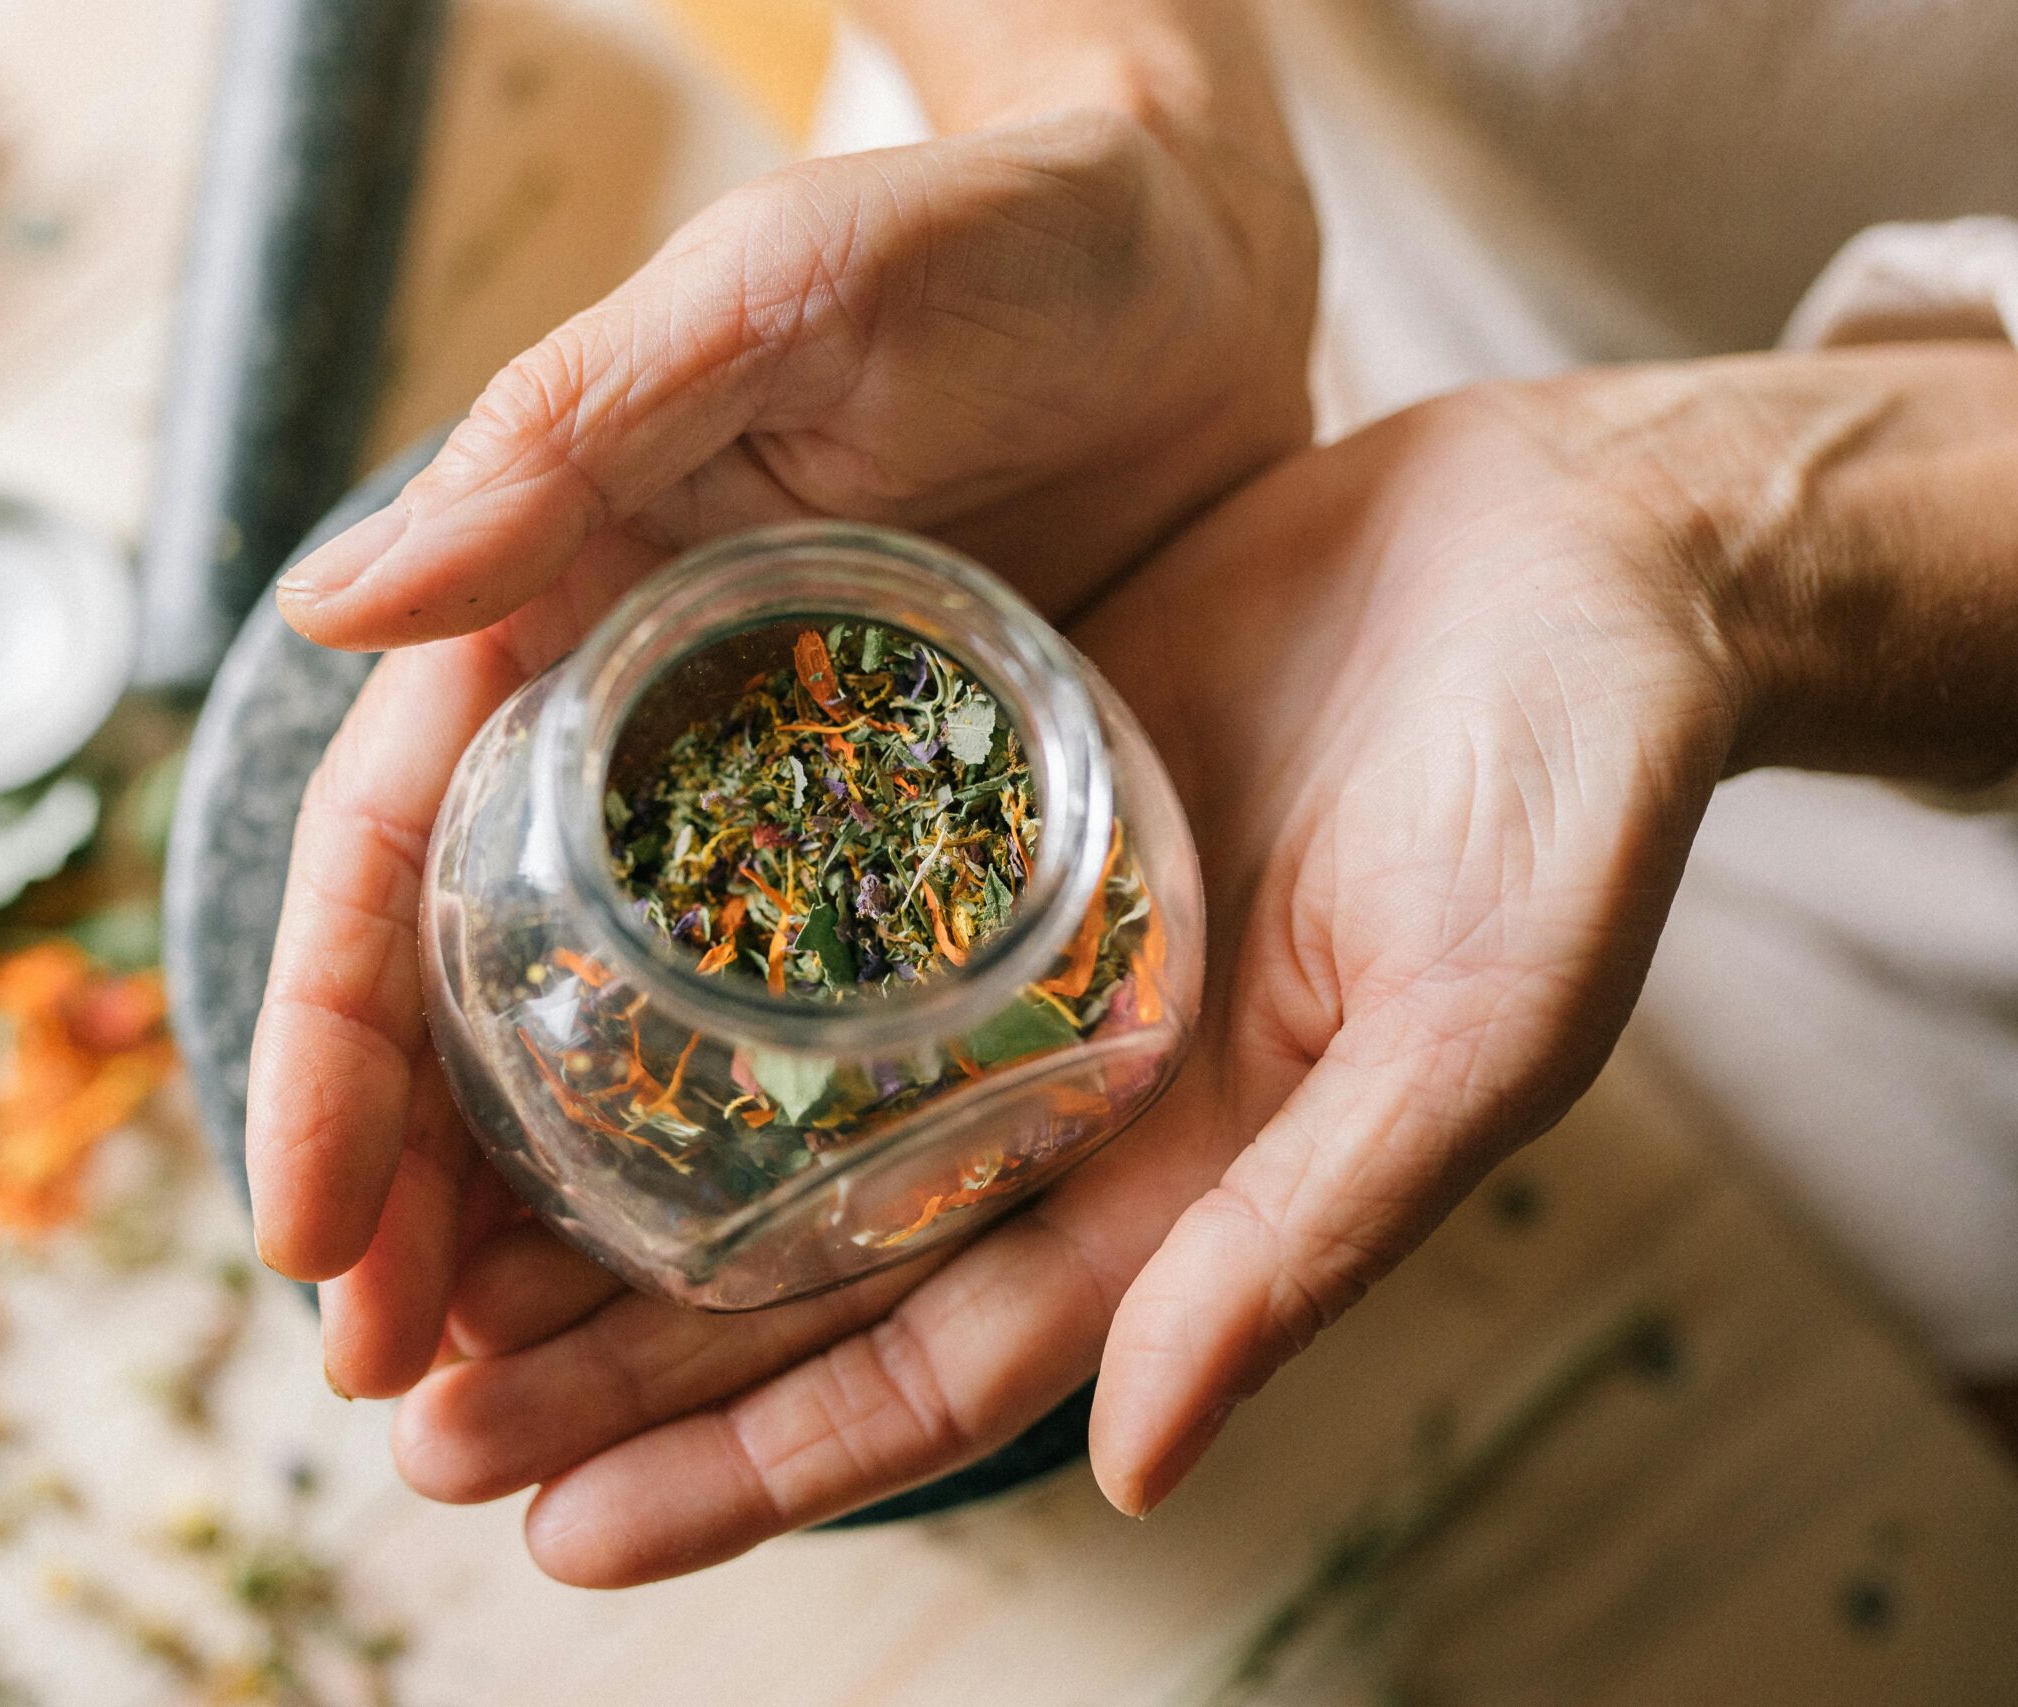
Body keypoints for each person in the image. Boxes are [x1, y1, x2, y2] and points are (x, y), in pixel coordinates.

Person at [242, 0, 2018, 1586]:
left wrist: (1717, 537)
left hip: (1924, 730)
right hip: (1005, 404)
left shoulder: (1108, 877)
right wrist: (1130, 114)